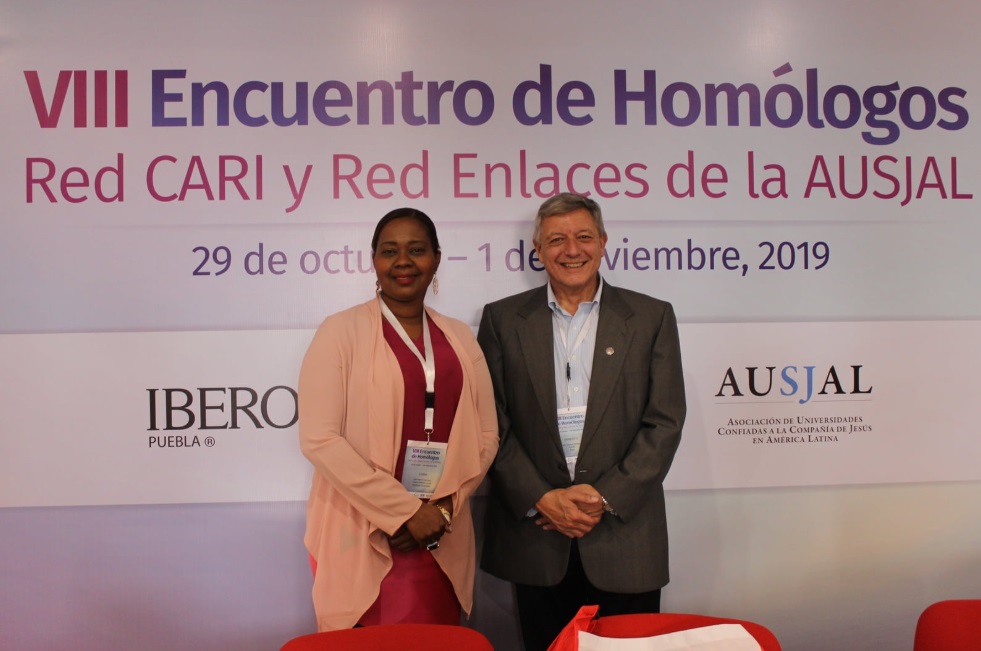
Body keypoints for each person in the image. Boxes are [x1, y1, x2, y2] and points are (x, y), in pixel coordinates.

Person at [477, 193, 686, 651]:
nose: (572, 250)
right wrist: (541, 497)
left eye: (584, 237)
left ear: (604, 242)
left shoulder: (651, 317)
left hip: (624, 538)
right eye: (557, 240)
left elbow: (665, 421)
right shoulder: (502, 320)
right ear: (538, 249)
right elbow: (491, 423)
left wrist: (603, 497)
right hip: (538, 537)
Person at [298, 207, 499, 631]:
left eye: (416, 250)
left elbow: (486, 435)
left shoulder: (460, 337)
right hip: (360, 533)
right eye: (390, 251)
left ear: (437, 259)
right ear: (374, 260)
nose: (403, 261)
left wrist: (442, 510)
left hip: (438, 538)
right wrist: (405, 512)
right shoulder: (339, 332)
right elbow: (319, 438)